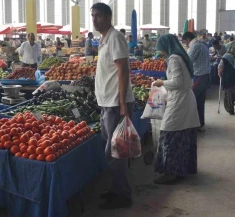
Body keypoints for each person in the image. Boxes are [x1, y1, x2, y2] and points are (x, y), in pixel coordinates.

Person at [91, 2, 135, 209]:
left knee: (115, 152)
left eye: (98, 16)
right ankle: (117, 189)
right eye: (92, 16)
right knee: (110, 150)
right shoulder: (104, 39)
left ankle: (123, 195)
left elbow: (123, 71)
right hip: (106, 103)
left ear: (108, 17)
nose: (94, 19)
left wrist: (122, 104)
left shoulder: (115, 37)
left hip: (115, 104)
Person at [152, 34, 200, 185]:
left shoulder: (173, 58)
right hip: (185, 98)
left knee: (168, 133)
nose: (161, 52)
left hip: (180, 100)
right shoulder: (180, 55)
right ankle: (182, 168)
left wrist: (161, 82)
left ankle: (171, 172)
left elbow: (177, 81)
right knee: (183, 134)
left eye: (161, 48)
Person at [182, 32, 210, 132]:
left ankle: (191, 125)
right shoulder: (202, 45)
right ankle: (200, 124)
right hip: (204, 76)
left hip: (199, 76)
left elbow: (187, 61)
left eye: (185, 42)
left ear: (188, 39)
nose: (185, 44)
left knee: (189, 99)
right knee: (199, 102)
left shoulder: (195, 47)